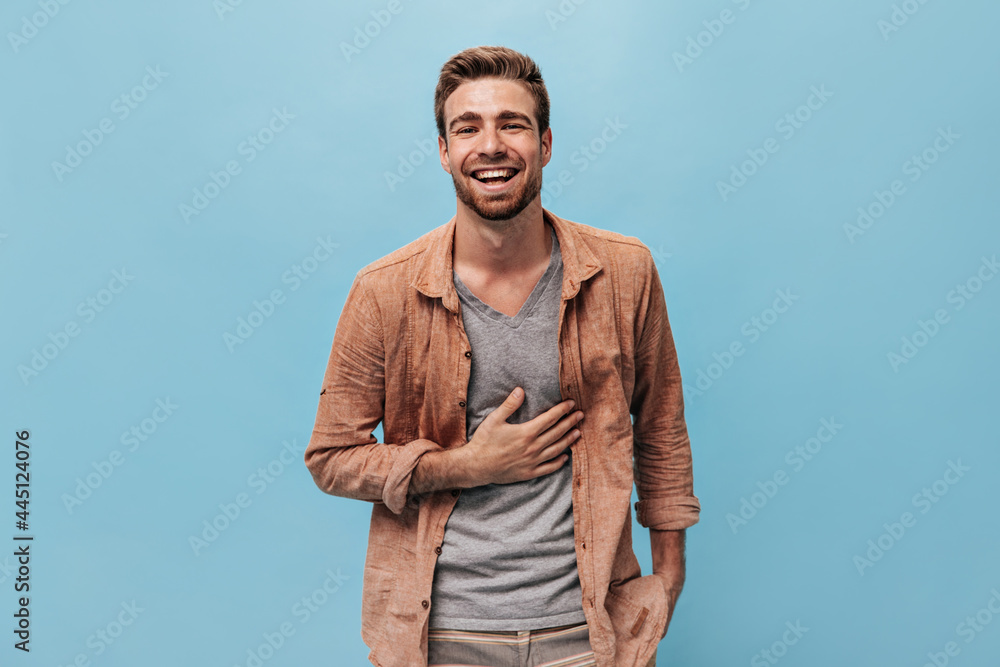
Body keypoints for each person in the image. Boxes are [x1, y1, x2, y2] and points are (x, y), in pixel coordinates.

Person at [304, 45, 700, 667]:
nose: (490, 145)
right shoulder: (384, 291)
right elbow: (330, 458)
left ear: (544, 143)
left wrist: (667, 578)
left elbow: (661, 427)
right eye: (468, 128)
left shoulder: (624, 272)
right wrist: (461, 466)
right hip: (441, 639)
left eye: (511, 124)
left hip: (592, 635)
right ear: (443, 151)